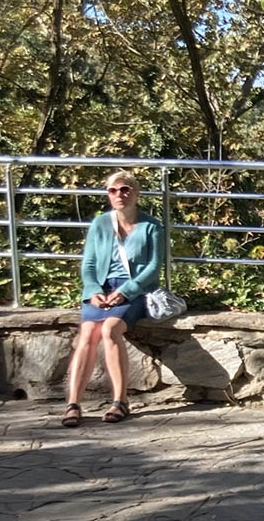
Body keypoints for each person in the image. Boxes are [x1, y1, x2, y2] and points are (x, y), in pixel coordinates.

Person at [61, 171, 164, 427]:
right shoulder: (100, 224)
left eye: (126, 189)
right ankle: (73, 404)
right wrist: (93, 290)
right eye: (113, 190)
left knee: (110, 329)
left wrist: (126, 292)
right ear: (108, 194)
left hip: (135, 290)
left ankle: (120, 400)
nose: (120, 195)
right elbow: (89, 264)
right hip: (102, 288)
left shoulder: (151, 226)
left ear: (136, 193)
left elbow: (153, 268)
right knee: (87, 334)